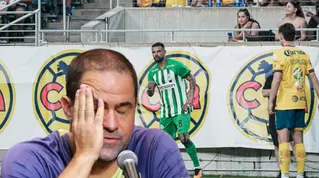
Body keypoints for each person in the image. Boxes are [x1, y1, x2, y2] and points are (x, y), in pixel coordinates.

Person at [1, 49, 189, 178]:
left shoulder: (154, 147)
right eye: (97, 110)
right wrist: (84, 156)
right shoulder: (29, 159)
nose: (111, 124)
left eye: (123, 111)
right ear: (69, 108)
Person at [268, 23, 319, 178]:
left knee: (283, 139)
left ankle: (285, 174)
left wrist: (270, 101)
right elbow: (313, 78)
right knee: (299, 140)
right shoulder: (303, 54)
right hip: (300, 101)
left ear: (281, 36)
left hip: (285, 102)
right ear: (294, 36)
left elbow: (277, 79)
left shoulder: (279, 54)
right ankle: (300, 174)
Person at [147, 42, 202, 178]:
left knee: (184, 138)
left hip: (180, 108)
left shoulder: (175, 65)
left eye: (159, 51)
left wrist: (190, 99)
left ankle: (197, 168)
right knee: (165, 143)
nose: (156, 54)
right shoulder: (152, 72)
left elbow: (191, 79)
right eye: (154, 52)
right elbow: (150, 93)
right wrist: (149, 89)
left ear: (164, 52)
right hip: (166, 112)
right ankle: (170, 170)